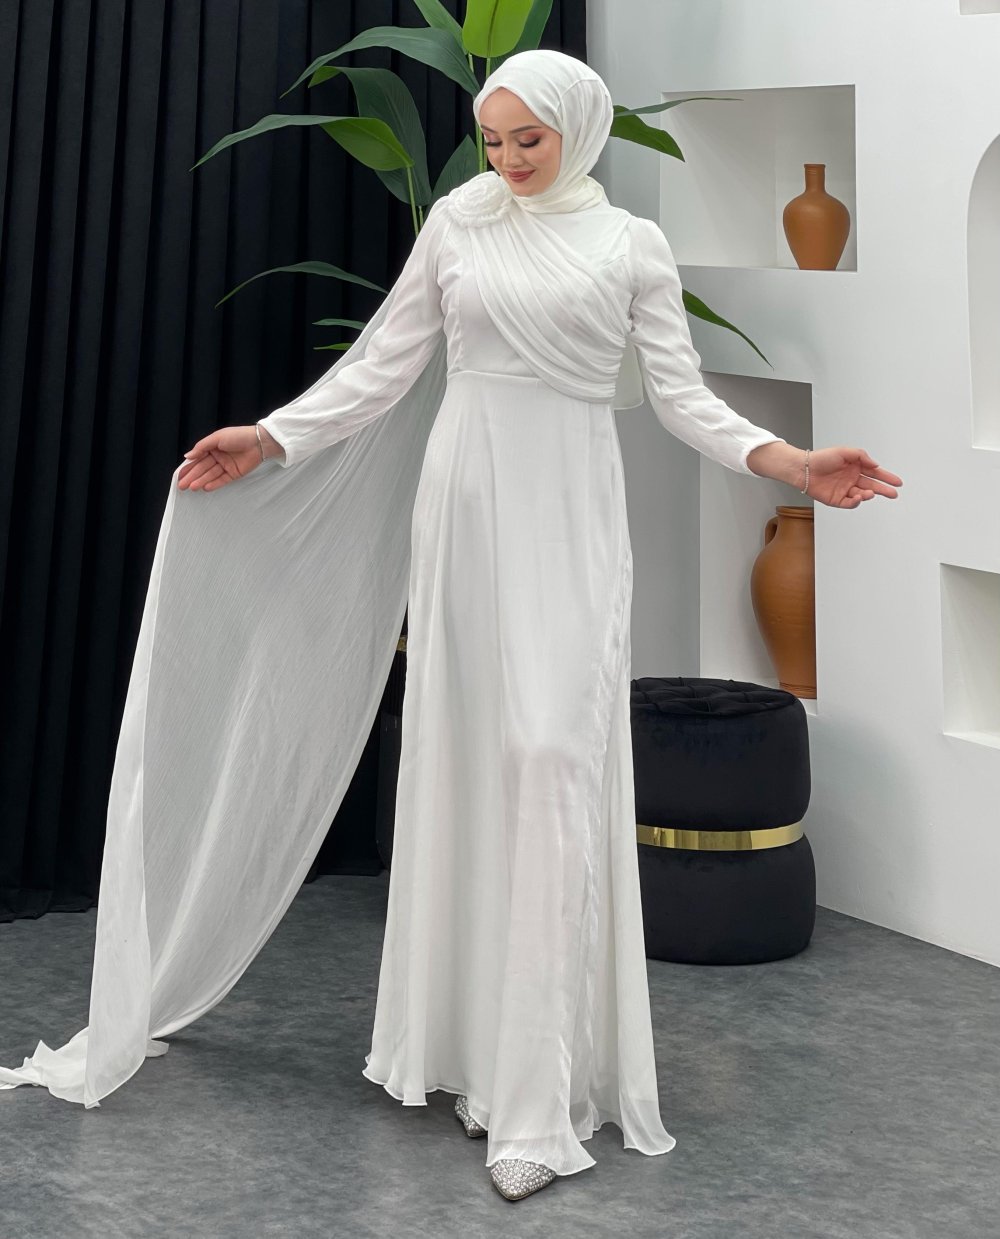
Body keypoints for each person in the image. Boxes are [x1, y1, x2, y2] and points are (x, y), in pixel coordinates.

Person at [1, 49, 901, 1204]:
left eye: (530, 139)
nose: (509, 159)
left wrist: (790, 462)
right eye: (493, 140)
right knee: (469, 765)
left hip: (570, 514)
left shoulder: (630, 246)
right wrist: (271, 437)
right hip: (465, 504)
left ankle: (537, 1100)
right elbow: (381, 365)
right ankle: (462, 1053)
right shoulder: (460, 223)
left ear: (577, 130)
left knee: (551, 760)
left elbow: (682, 399)